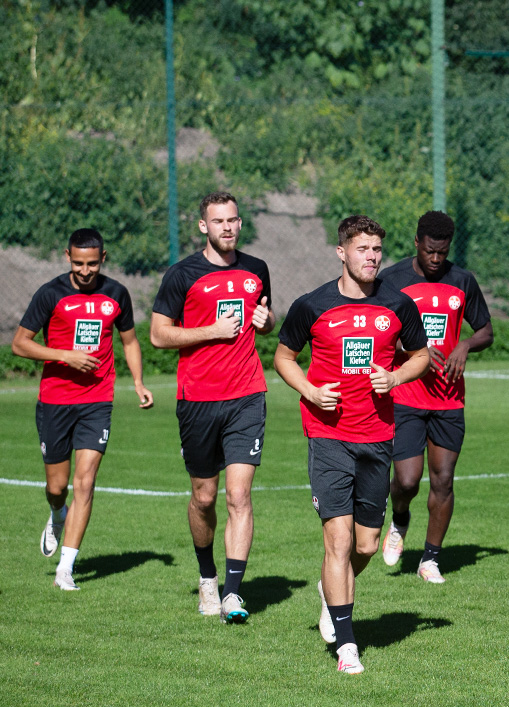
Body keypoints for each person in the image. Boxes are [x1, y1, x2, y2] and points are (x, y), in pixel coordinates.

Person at [275, 216, 429, 674]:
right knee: (338, 542)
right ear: (341, 252)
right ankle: (346, 646)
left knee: (365, 546)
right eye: (363, 249)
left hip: (378, 436)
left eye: (377, 249)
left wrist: (396, 375)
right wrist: (308, 390)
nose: (372, 257)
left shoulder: (398, 305)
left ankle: (330, 588)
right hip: (328, 436)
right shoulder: (312, 305)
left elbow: (420, 355)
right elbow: (284, 357)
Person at [149, 192, 273, 621]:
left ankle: (233, 593)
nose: (227, 227)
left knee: (239, 494)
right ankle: (207, 578)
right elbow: (160, 336)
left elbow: (266, 316)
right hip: (198, 400)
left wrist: (267, 321)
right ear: (203, 226)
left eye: (233, 220)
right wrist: (211, 330)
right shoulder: (182, 275)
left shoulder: (257, 269)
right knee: (204, 498)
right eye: (218, 221)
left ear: (240, 223)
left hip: (247, 395)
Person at [12, 228, 153, 591]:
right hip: (55, 401)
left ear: (103, 258)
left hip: (97, 401)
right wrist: (65, 355)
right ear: (67, 256)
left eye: (92, 263)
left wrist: (137, 382)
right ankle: (57, 513)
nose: (86, 270)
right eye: (78, 263)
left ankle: (66, 569)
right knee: (57, 486)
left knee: (85, 481)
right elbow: (20, 344)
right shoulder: (51, 294)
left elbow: (130, 341)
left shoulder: (116, 294)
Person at [377, 211, 493, 583]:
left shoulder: (462, 281)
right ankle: (399, 519)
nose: (436, 259)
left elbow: (486, 331)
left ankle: (430, 559)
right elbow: (380, 333)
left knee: (443, 480)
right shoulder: (392, 280)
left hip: (448, 399)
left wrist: (464, 344)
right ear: (417, 243)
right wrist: (416, 355)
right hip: (407, 395)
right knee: (408, 481)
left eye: (442, 253)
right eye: (430, 251)